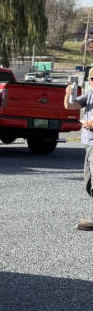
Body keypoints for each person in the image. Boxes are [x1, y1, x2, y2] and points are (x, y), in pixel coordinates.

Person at [64, 73, 93, 230]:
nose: (92, 81)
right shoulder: (90, 93)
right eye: (91, 79)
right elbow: (70, 106)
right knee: (88, 181)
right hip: (88, 143)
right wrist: (67, 94)